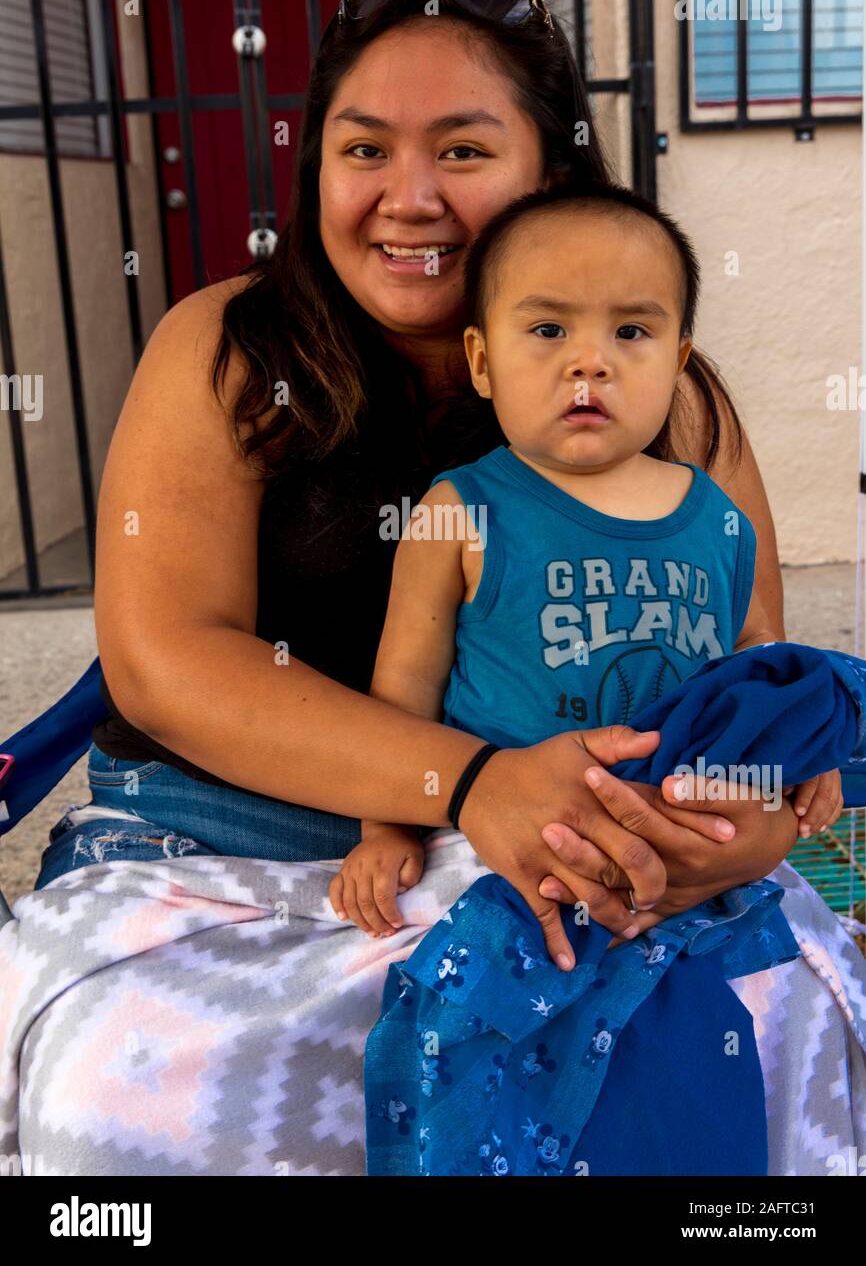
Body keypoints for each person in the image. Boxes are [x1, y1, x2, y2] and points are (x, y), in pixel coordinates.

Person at [33, 0, 816, 976]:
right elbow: (161, 662)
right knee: (126, 1103)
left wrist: (741, 827)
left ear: (554, 174)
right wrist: (472, 783)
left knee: (773, 1046)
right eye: (364, 149)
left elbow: (747, 673)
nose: (408, 199)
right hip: (224, 834)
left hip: (578, 853)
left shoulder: (662, 392)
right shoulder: (229, 346)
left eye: (460, 150)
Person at [329, 180, 843, 940]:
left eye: (632, 332)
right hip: (511, 856)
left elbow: (756, 663)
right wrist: (385, 830)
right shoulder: (461, 512)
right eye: (546, 330)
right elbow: (404, 686)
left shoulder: (719, 520)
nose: (589, 363)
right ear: (480, 360)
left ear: (679, 361)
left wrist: (802, 745)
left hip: (690, 860)